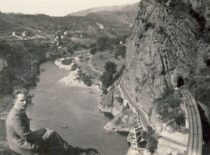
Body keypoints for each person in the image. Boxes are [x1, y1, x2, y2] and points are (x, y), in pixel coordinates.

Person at [6, 88, 99, 155]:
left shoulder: (18, 112)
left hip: (19, 143)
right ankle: (70, 151)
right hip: (22, 147)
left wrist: (42, 131)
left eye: (26, 100)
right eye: (22, 100)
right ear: (15, 101)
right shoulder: (15, 117)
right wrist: (42, 131)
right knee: (51, 133)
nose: (25, 102)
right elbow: (27, 136)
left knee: (48, 132)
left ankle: (68, 150)